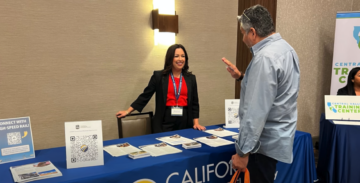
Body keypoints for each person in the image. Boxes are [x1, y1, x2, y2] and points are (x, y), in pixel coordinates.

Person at [222, 5, 300, 183]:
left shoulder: (265, 58)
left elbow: (255, 112)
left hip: (261, 145)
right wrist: (242, 76)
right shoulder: (287, 49)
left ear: (253, 32)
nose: (242, 39)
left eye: (243, 33)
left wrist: (242, 152)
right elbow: (275, 91)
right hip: (277, 139)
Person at [116, 44, 206, 133]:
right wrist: (128, 111)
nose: (180, 59)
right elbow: (145, 96)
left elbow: (194, 102)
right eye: (176, 56)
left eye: (183, 56)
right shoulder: (159, 76)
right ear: (170, 58)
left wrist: (196, 123)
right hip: (165, 119)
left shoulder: (191, 78)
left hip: (185, 119)